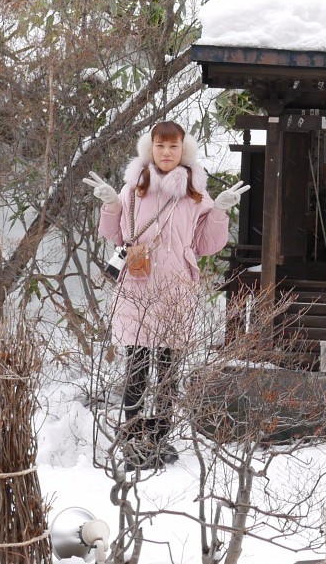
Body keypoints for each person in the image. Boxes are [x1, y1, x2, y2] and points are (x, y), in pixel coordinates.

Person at [87, 122, 248, 467]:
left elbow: (206, 245)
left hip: (176, 290)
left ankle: (160, 437)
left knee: (169, 369)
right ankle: (130, 438)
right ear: (150, 149)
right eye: (160, 146)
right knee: (137, 367)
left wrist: (219, 211)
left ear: (183, 151)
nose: (166, 153)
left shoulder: (195, 195)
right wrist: (111, 204)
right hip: (137, 288)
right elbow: (116, 237)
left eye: (173, 147)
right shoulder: (133, 189)